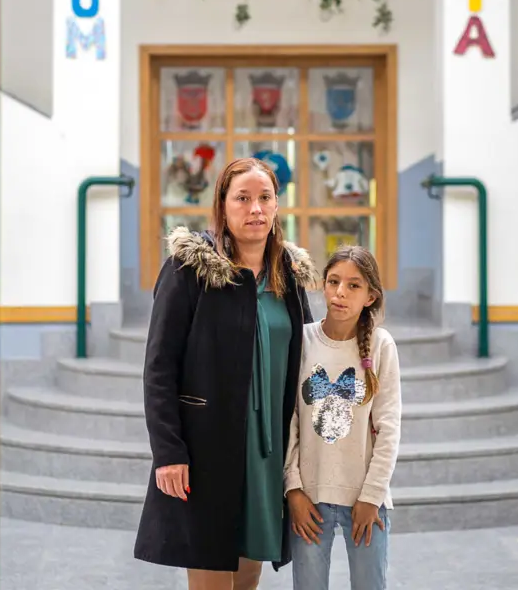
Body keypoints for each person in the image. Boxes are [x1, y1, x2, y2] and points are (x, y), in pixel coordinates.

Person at [134, 157, 321, 590]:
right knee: (211, 573)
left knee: (249, 572)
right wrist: (168, 452)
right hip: (207, 448)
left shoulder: (289, 276)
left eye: (265, 198)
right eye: (243, 198)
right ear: (222, 205)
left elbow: (309, 357)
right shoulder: (189, 269)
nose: (255, 209)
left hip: (267, 450)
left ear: (277, 206)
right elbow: (159, 367)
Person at [284, 246, 402, 590]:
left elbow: (389, 427)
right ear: (322, 285)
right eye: (333, 281)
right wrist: (293, 489)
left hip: (366, 502)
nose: (340, 293)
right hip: (309, 500)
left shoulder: (381, 346)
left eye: (353, 285)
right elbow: (288, 419)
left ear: (370, 296)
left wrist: (371, 497)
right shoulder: (302, 339)